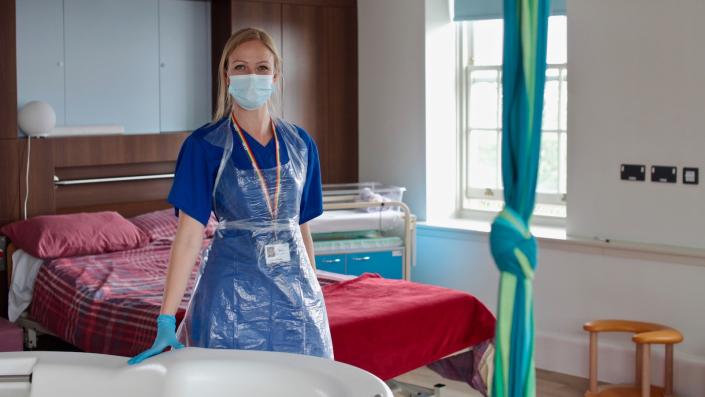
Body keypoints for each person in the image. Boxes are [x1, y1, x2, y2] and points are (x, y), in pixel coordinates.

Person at [128, 27, 333, 364]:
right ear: (226, 76)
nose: (251, 76)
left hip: (296, 297)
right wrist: (166, 318)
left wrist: (314, 295)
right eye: (240, 67)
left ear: (276, 75)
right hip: (230, 297)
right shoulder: (205, 145)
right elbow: (189, 238)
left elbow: (302, 229)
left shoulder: (300, 144)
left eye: (262, 68)